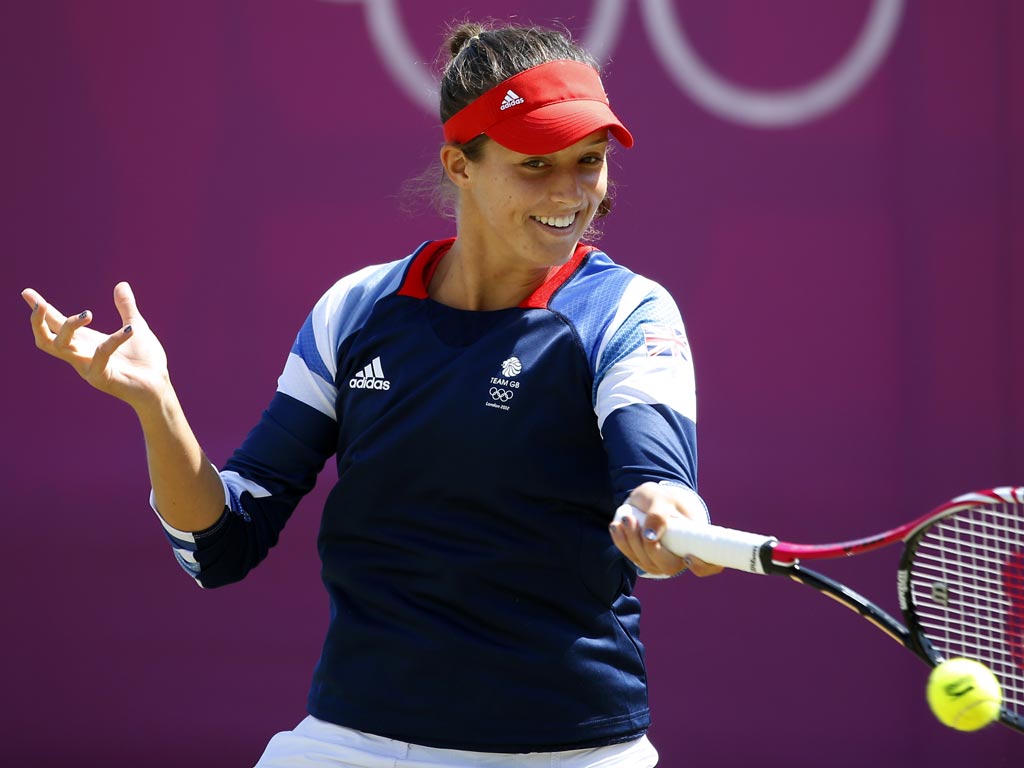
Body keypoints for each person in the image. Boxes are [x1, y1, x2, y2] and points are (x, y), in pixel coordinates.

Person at [22, 20, 720, 768]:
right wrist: (155, 402)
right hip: (354, 741)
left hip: (568, 752)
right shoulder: (354, 310)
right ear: (460, 164)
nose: (571, 192)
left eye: (589, 162)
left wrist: (668, 516)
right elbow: (221, 545)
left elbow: (658, 487)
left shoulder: (627, 313)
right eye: (536, 165)